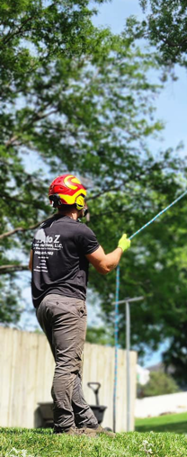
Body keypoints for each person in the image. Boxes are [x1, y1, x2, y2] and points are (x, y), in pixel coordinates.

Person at [29, 173, 131, 436]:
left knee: (69, 364)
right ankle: (64, 426)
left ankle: (87, 423)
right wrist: (121, 248)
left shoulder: (41, 229)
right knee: (67, 366)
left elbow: (32, 265)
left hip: (43, 305)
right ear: (77, 199)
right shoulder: (80, 230)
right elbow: (105, 265)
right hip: (67, 305)